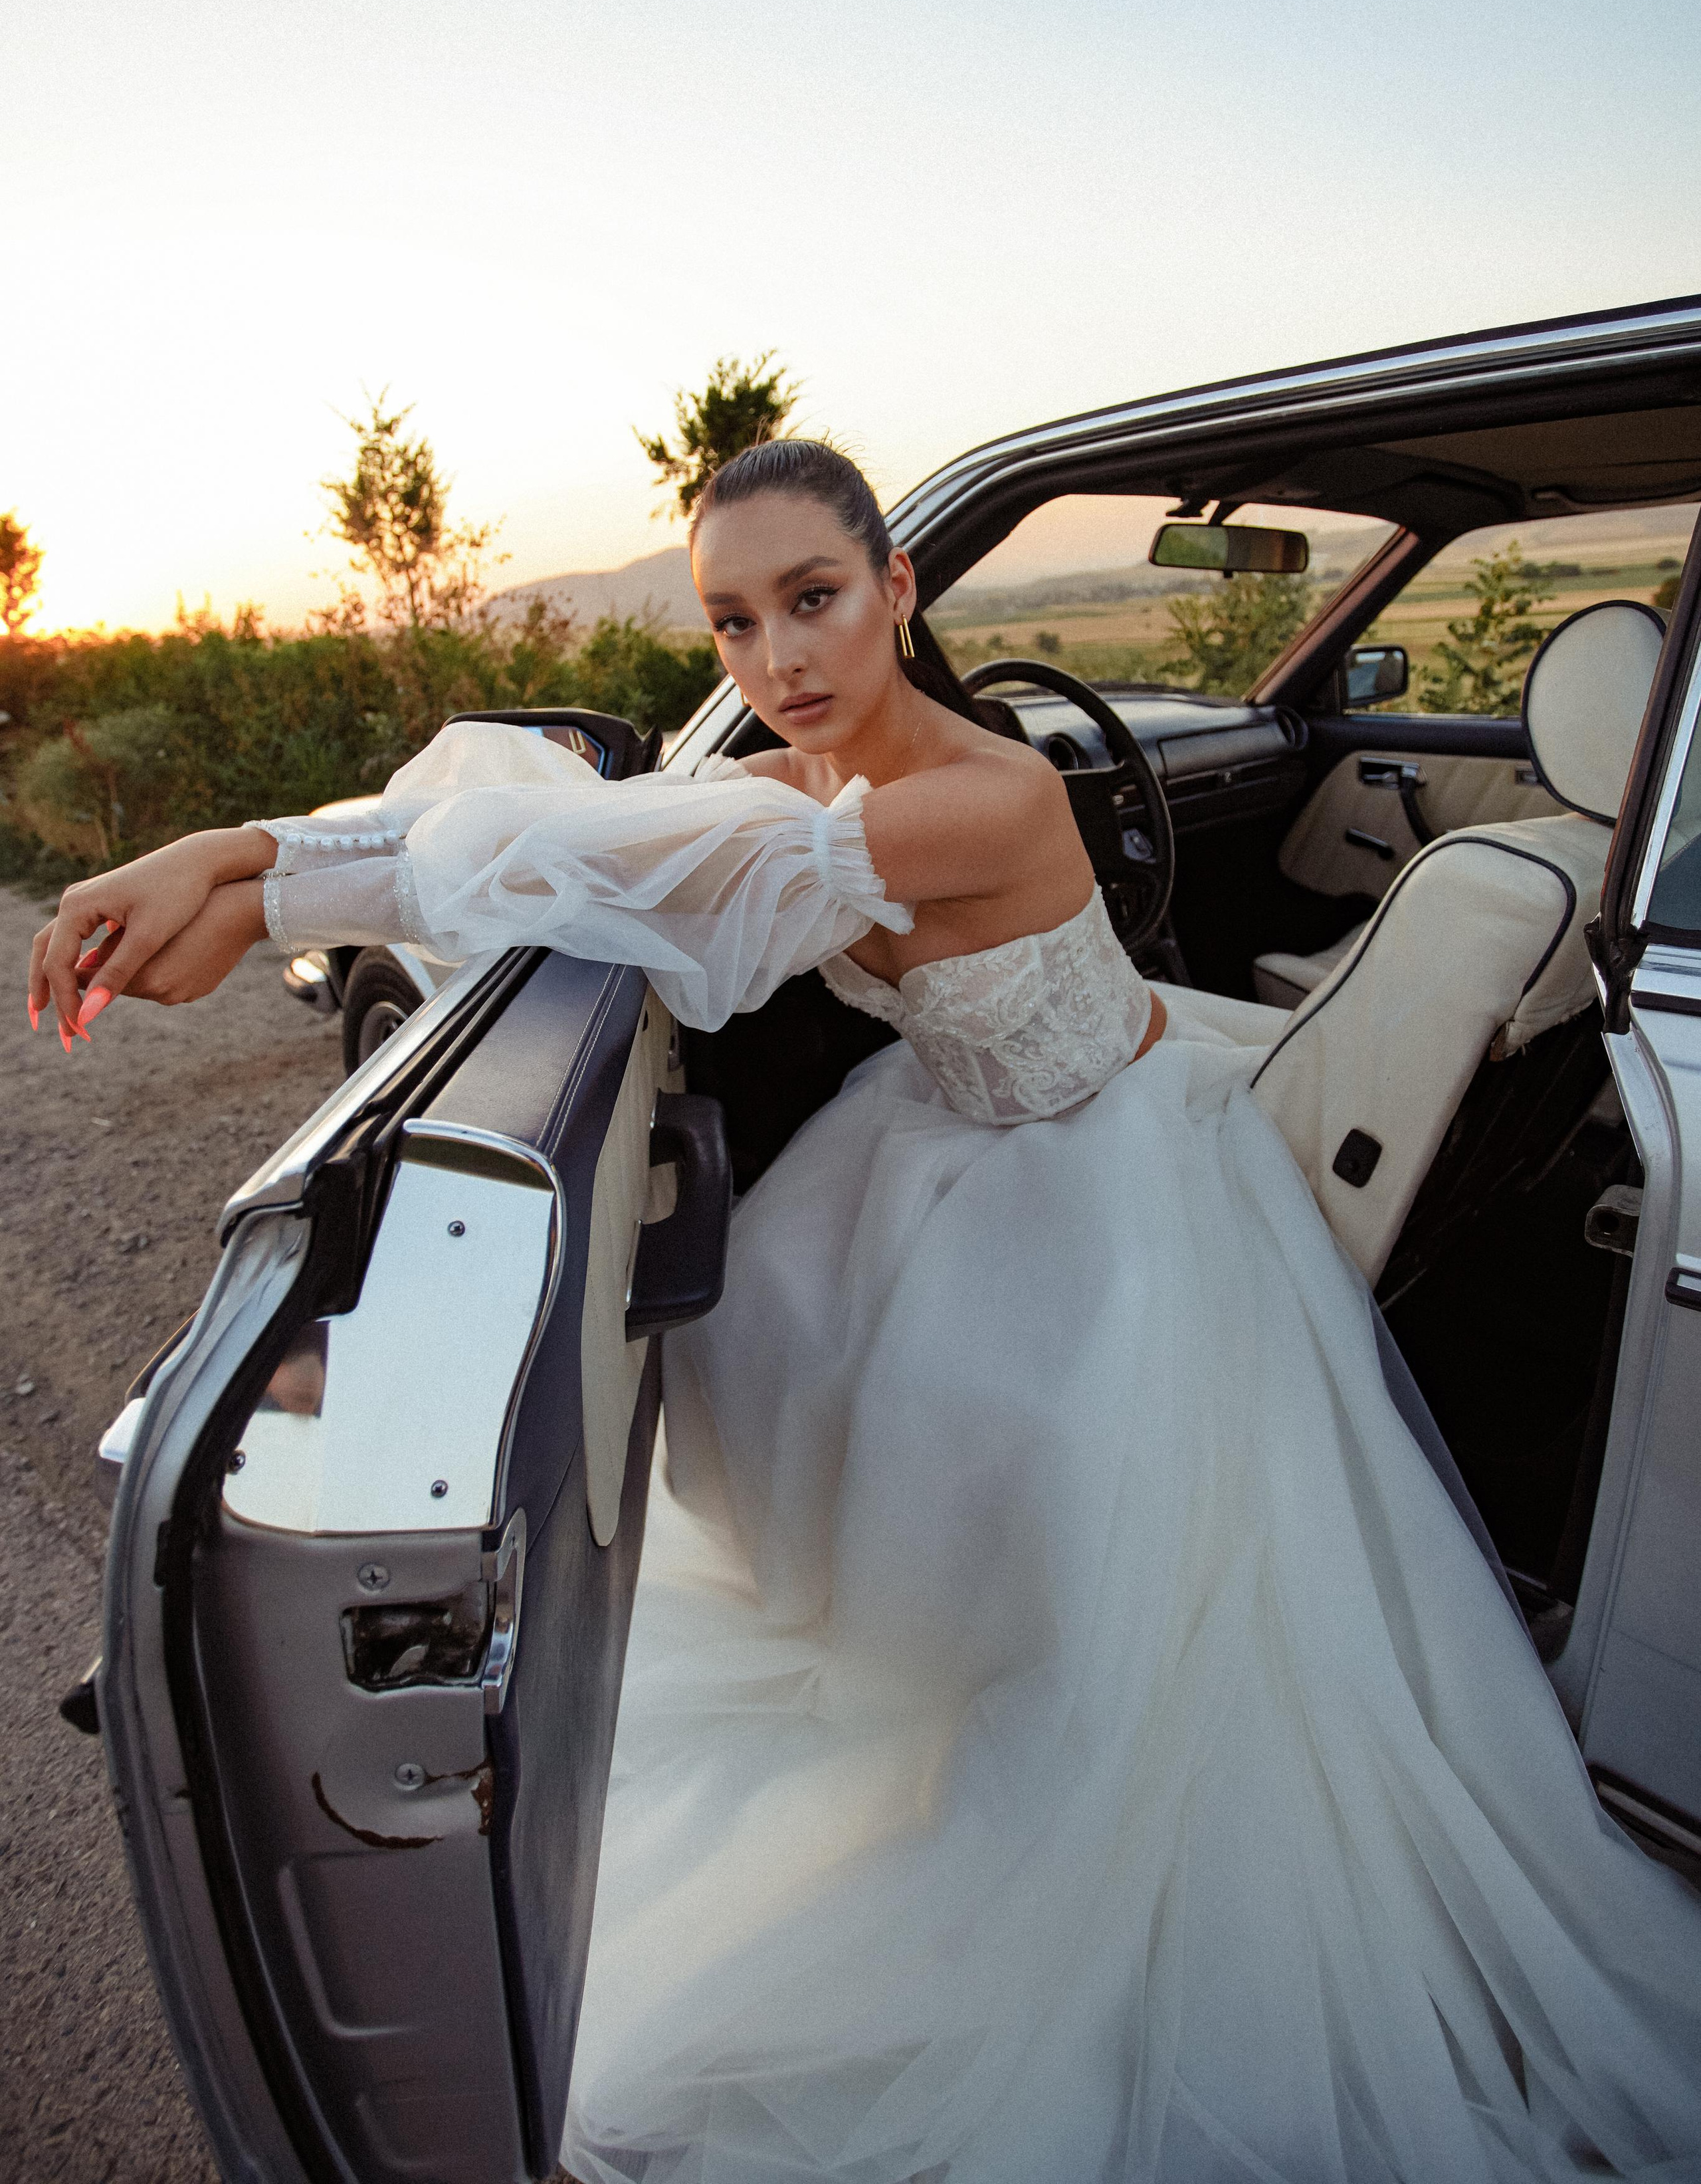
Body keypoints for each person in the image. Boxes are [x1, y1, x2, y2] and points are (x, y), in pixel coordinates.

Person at [27, 441, 1701, 2183]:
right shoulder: (793, 768)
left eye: (815, 603)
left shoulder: (983, 801)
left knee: (1100, 1594)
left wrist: (254, 871)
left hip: (1114, 1167)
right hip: (943, 1140)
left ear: (900, 592)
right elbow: (584, 832)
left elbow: (652, 870)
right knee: (802, 1402)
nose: (778, 664)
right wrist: (242, 866)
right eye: (733, 625)